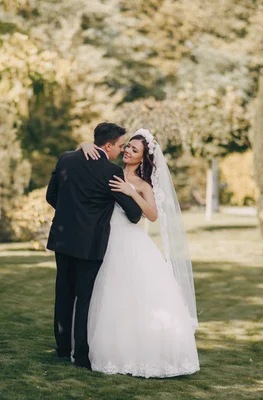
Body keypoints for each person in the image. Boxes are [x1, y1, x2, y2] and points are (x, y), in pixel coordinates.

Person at [80, 129, 200, 378]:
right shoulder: (108, 170)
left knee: (132, 295)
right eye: (128, 147)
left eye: (135, 150)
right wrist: (83, 144)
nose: (128, 151)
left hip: (129, 241)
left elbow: (153, 216)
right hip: (105, 239)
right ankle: (109, 347)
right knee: (109, 296)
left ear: (142, 158)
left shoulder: (143, 184)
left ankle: (141, 352)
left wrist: (130, 191)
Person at [45, 122, 142, 369]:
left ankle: (62, 347)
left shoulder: (66, 159)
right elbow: (133, 214)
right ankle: (80, 356)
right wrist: (130, 193)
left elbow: (51, 196)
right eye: (120, 146)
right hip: (89, 243)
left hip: (63, 237)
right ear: (107, 146)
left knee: (63, 293)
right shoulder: (110, 172)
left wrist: (71, 214)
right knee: (85, 298)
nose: (122, 151)